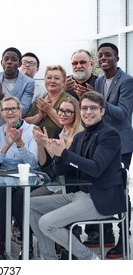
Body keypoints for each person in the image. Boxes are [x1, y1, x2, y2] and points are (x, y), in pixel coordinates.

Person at [30, 91, 126, 260]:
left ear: (102, 111)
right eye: (84, 108)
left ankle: (89, 259)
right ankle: (50, 258)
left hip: (100, 199)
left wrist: (65, 153)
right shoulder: (81, 136)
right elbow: (62, 171)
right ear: (80, 111)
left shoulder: (109, 135)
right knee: (30, 205)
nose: (88, 112)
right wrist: (53, 149)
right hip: (79, 195)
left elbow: (96, 168)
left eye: (93, 108)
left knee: (47, 223)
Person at [0, 96, 38, 260]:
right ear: (1, 112)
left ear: (20, 110)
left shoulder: (32, 130)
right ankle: (1, 243)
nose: (9, 112)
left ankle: (26, 242)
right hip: (3, 176)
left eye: (13, 109)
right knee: (0, 194)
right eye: (5, 109)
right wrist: (7, 144)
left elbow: (34, 163)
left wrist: (20, 143)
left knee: (20, 197)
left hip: (27, 178)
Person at [94, 42, 133, 259]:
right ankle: (106, 233)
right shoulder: (99, 80)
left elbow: (123, 113)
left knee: (119, 189)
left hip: (121, 145)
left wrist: (97, 100)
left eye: (108, 54)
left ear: (117, 58)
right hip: (103, 143)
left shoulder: (127, 81)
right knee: (104, 186)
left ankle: (124, 237)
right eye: (100, 55)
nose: (103, 58)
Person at [0, 47, 34, 141]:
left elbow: (23, 111)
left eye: (14, 59)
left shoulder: (28, 82)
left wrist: (2, 96)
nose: (9, 62)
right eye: (6, 59)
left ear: (19, 64)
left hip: (15, 133)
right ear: (2, 63)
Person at [32, 96, 84, 191]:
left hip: (71, 185)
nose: (62, 114)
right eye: (60, 110)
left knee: (30, 202)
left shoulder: (80, 136)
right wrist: (40, 143)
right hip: (56, 182)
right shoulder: (58, 132)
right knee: (25, 199)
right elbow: (45, 163)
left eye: (68, 111)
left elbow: (65, 167)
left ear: (76, 114)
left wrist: (46, 143)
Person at [25, 65, 71, 138]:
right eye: (49, 78)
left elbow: (68, 125)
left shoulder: (69, 100)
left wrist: (49, 111)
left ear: (64, 81)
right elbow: (24, 123)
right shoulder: (39, 101)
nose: (52, 81)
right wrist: (39, 116)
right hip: (37, 145)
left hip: (59, 145)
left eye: (57, 78)